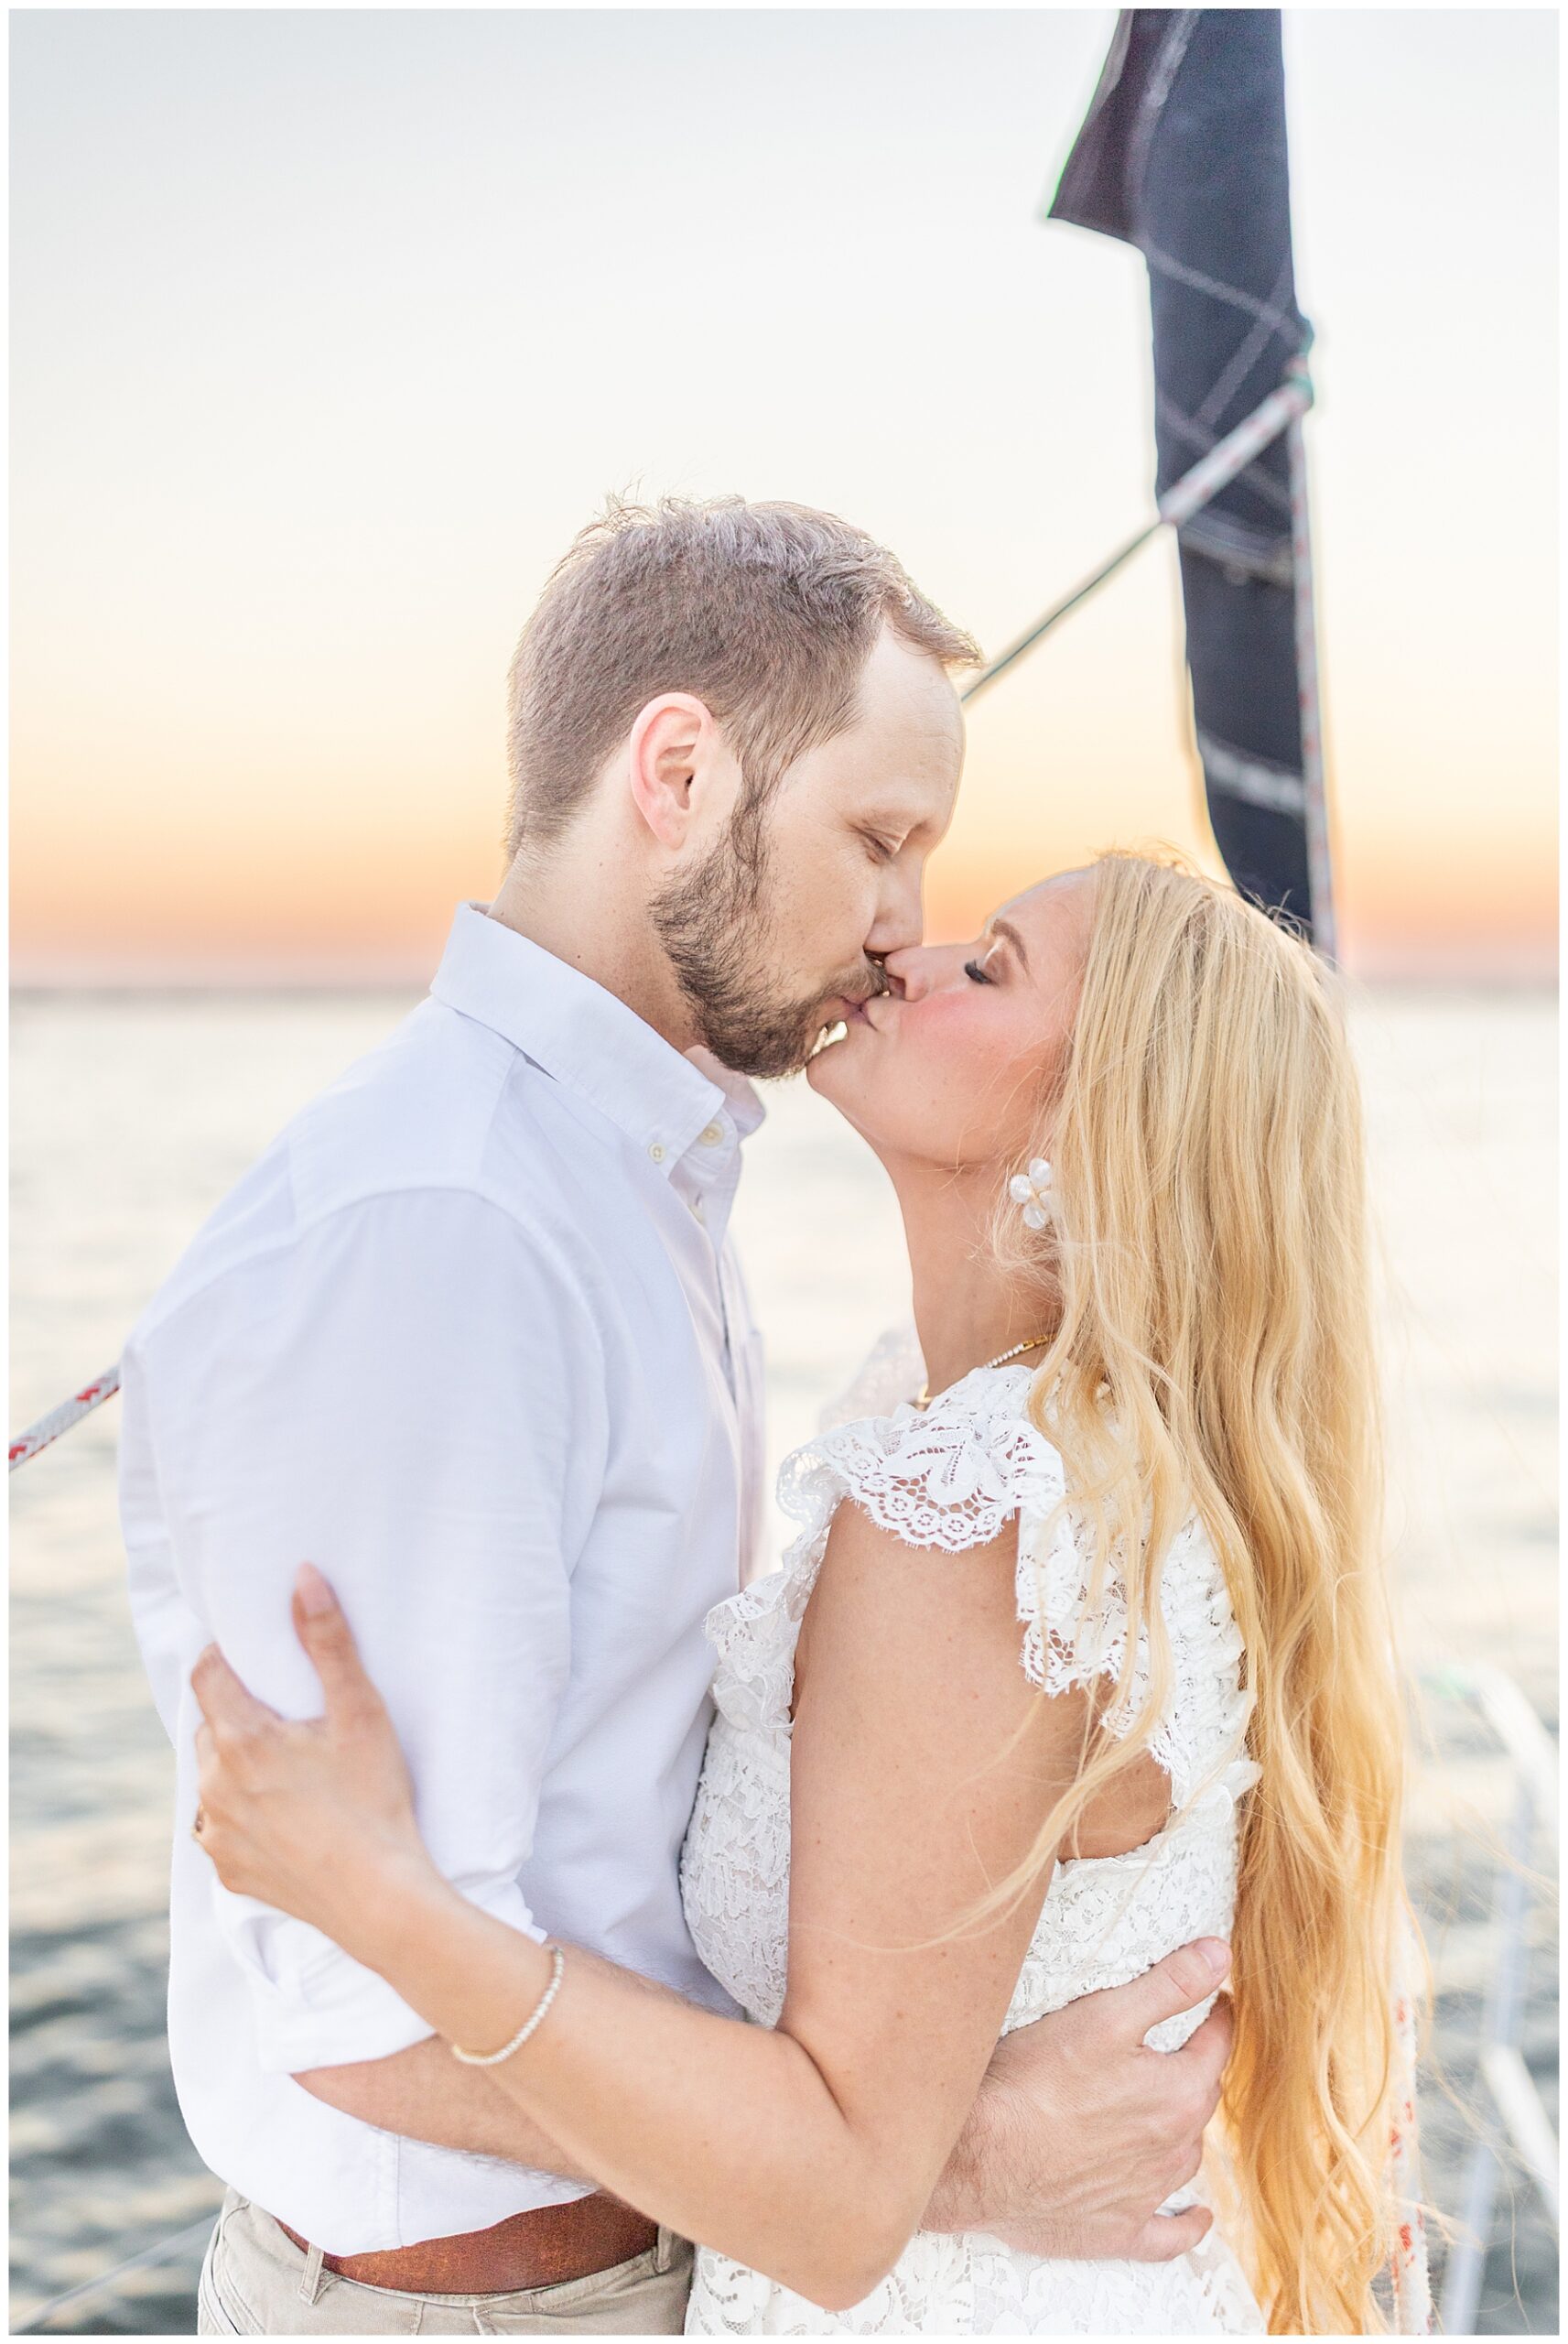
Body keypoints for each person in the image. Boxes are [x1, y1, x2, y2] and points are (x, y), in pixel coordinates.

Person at [120, 498, 1234, 2339]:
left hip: (646, 2259)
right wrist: (943, 2166)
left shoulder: (642, 1179)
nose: (900, 927)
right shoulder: (449, 1230)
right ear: (676, 768)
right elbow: (360, 1996)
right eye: (879, 838)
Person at [191, 852, 1433, 2336]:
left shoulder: (978, 1509)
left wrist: (387, 1911)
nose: (909, 949)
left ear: (1100, 1130)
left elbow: (841, 2187)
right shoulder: (1030, 1441)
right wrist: (977, 2146)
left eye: (992, 968)